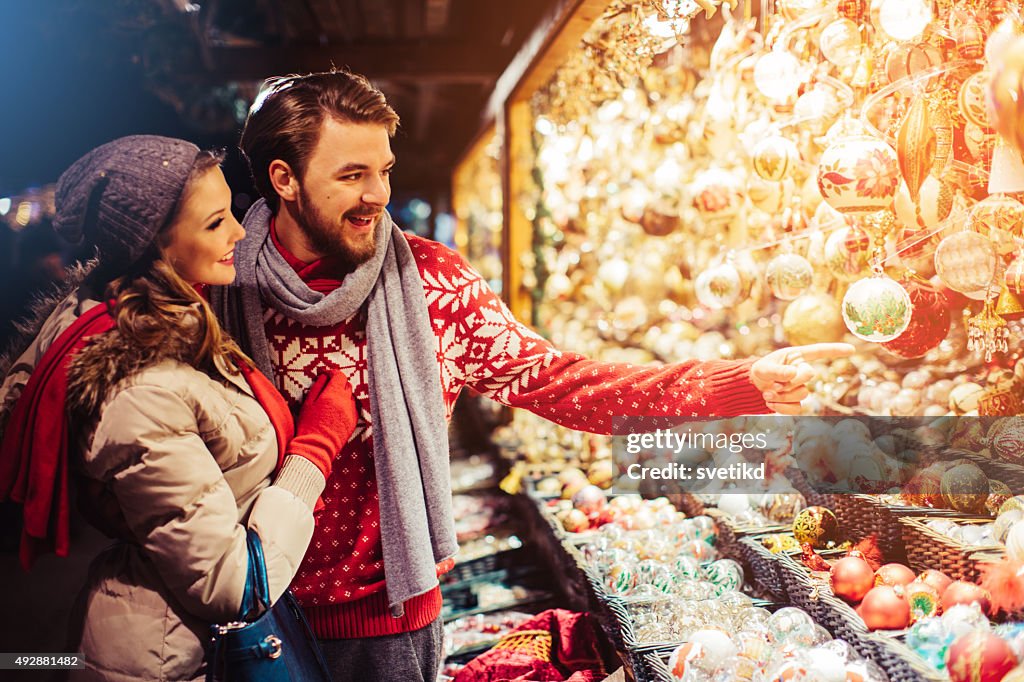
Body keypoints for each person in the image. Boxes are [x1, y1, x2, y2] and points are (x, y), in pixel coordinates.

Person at [208, 69, 854, 682]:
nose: (377, 194)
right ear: (284, 179)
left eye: (383, 171)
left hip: (390, 627)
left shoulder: (433, 285)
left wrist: (737, 385)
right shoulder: (215, 288)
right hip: (244, 609)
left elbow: (561, 382)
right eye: (352, 174)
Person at [0, 135, 358, 681]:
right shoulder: (140, 388)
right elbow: (237, 586)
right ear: (155, 246)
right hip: (169, 657)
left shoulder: (168, 325)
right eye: (215, 223)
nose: (240, 232)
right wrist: (316, 447)